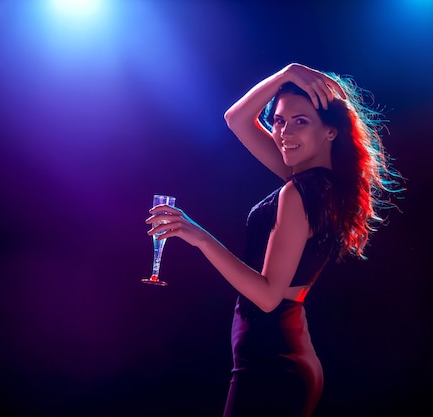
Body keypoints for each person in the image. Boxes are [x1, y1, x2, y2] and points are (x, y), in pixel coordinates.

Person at [146, 63, 404, 417]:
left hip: (271, 362)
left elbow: (268, 296)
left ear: (331, 131)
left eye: (300, 121)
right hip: (279, 352)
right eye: (279, 121)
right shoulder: (319, 183)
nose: (283, 133)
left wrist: (197, 235)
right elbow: (237, 118)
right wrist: (287, 74)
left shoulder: (299, 191)